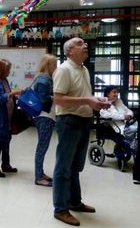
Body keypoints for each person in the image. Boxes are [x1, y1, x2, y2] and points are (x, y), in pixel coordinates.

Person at [52, 38, 110, 226]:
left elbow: (82, 95)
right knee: (63, 167)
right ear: (69, 51)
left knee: (76, 166)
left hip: (84, 120)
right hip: (69, 121)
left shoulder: (83, 69)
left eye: (84, 43)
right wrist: (87, 100)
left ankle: (74, 202)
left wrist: (96, 100)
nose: (84, 45)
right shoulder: (63, 70)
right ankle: (60, 209)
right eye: (79, 43)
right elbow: (59, 100)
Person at [0, 58, 23, 178]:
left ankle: (6, 164)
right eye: (8, 69)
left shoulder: (4, 80)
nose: (9, 71)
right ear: (2, 70)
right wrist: (13, 93)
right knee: (0, 142)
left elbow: (7, 96)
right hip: (0, 118)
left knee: (7, 141)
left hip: (8, 117)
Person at [31, 54, 57, 187]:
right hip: (44, 116)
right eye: (54, 64)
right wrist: (57, 97)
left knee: (42, 146)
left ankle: (40, 173)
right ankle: (38, 176)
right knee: (42, 146)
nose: (56, 67)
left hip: (43, 115)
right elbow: (44, 99)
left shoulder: (41, 77)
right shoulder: (43, 79)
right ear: (48, 65)